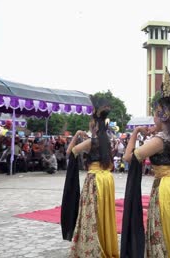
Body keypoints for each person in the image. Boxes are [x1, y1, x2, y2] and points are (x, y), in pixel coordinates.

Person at [121, 70, 170, 257]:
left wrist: (135, 133)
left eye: (155, 114)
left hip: (168, 189)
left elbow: (129, 157)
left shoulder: (160, 139)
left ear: (163, 115)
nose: (153, 119)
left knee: (164, 235)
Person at [61, 95, 119, 257]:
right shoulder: (107, 140)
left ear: (94, 124)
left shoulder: (91, 142)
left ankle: (91, 249)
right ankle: (104, 243)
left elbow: (70, 152)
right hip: (106, 180)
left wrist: (77, 134)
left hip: (94, 180)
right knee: (104, 215)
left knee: (91, 215)